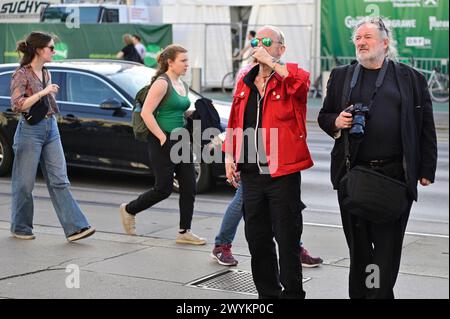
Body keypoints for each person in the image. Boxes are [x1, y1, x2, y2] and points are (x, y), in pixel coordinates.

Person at [318, 17, 437, 299]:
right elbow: (324, 117)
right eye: (358, 38)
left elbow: (425, 127)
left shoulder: (411, 78)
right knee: (359, 251)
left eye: (367, 37)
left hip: (395, 179)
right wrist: (337, 121)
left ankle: (379, 295)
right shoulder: (341, 76)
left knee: (386, 252)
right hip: (354, 176)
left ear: (385, 43)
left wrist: (426, 169)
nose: (361, 42)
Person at [223, 25, 313, 299]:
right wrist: (229, 156)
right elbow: (235, 122)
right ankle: (267, 295)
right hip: (251, 174)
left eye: (266, 41)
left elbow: (301, 84)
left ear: (280, 49)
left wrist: (270, 62)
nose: (258, 46)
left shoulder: (290, 77)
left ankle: (293, 295)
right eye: (255, 41)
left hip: (282, 174)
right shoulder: (245, 82)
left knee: (287, 241)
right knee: (257, 241)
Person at [10, 31, 95, 242]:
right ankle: (20, 227)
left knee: (60, 180)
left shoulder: (46, 72)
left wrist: (47, 93)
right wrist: (43, 92)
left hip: (51, 127)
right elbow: (17, 105)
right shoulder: (22, 74)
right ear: (39, 50)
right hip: (30, 131)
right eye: (51, 48)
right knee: (24, 184)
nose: (54, 51)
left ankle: (75, 227)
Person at [119, 44, 206, 245]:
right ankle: (129, 209)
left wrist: (196, 113)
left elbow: (177, 111)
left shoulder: (182, 84)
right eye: (183, 61)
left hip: (181, 139)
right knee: (163, 188)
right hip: (162, 139)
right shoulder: (162, 83)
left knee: (189, 187)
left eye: (187, 60)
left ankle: (184, 231)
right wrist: (162, 138)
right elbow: (146, 113)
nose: (187, 64)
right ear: (170, 62)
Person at [212, 182, 323, 268]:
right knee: (242, 197)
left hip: (276, 158)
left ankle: (295, 249)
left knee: (283, 196)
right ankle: (221, 245)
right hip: (254, 158)